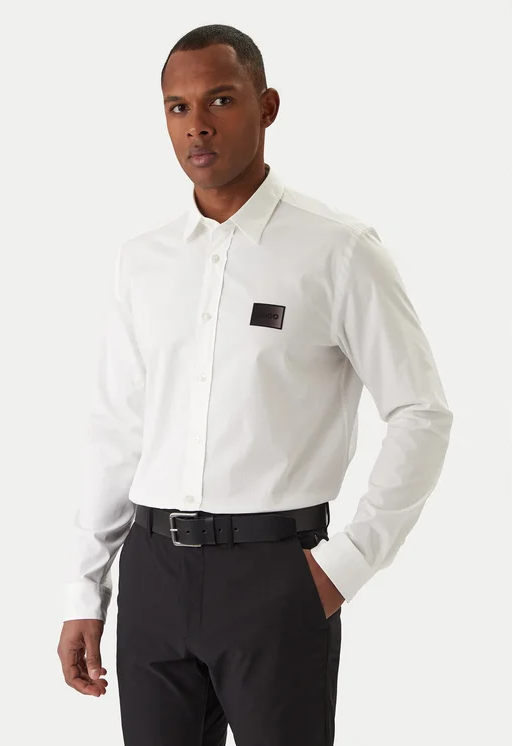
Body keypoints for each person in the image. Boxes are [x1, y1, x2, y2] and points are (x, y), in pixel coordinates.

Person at [57, 23, 453, 746]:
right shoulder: (143, 261)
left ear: (267, 107)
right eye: (177, 107)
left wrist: (346, 565)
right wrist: (85, 587)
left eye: (220, 100)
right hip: (152, 576)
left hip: (276, 578)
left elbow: (421, 411)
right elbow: (117, 427)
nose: (197, 125)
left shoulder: (338, 250)